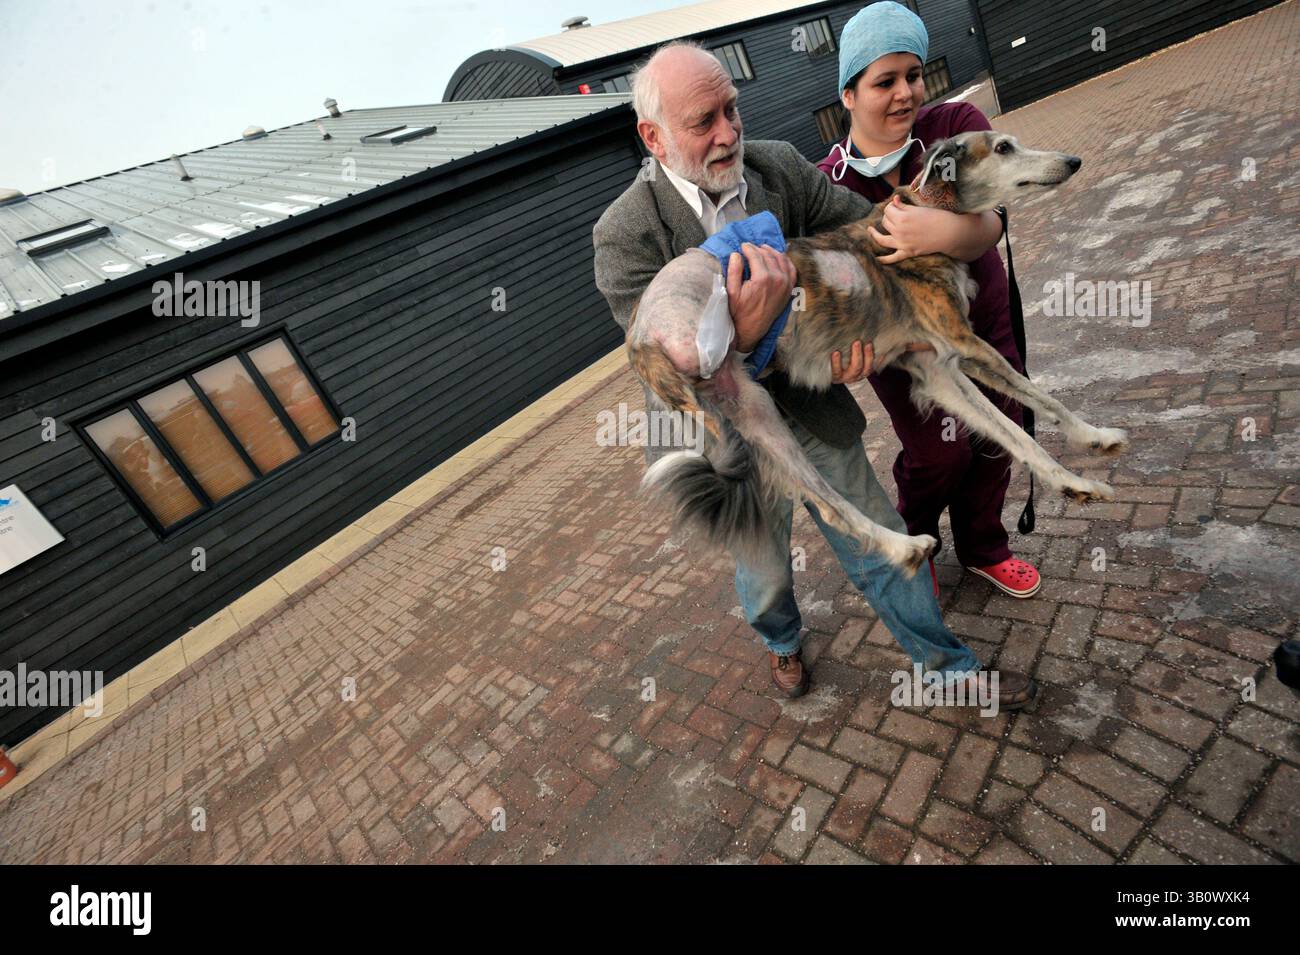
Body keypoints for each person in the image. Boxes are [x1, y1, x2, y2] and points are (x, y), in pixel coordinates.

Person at [592, 40, 1036, 710]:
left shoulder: (777, 166)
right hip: (727, 434)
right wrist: (744, 331)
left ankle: (947, 665)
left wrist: (942, 244)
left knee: (879, 542)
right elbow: (663, 361)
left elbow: (870, 233)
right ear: (651, 136)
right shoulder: (623, 233)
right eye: (703, 121)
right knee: (765, 569)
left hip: (813, 400)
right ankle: (782, 641)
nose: (729, 132)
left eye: (732, 110)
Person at [817, 1, 1041, 600]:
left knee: (1000, 433)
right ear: (848, 94)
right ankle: (916, 537)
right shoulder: (827, 183)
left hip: (980, 322)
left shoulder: (955, 126)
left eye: (913, 75)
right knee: (939, 455)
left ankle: (984, 545)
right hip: (903, 351)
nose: (904, 94)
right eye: (883, 81)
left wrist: (949, 233)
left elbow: (995, 218)